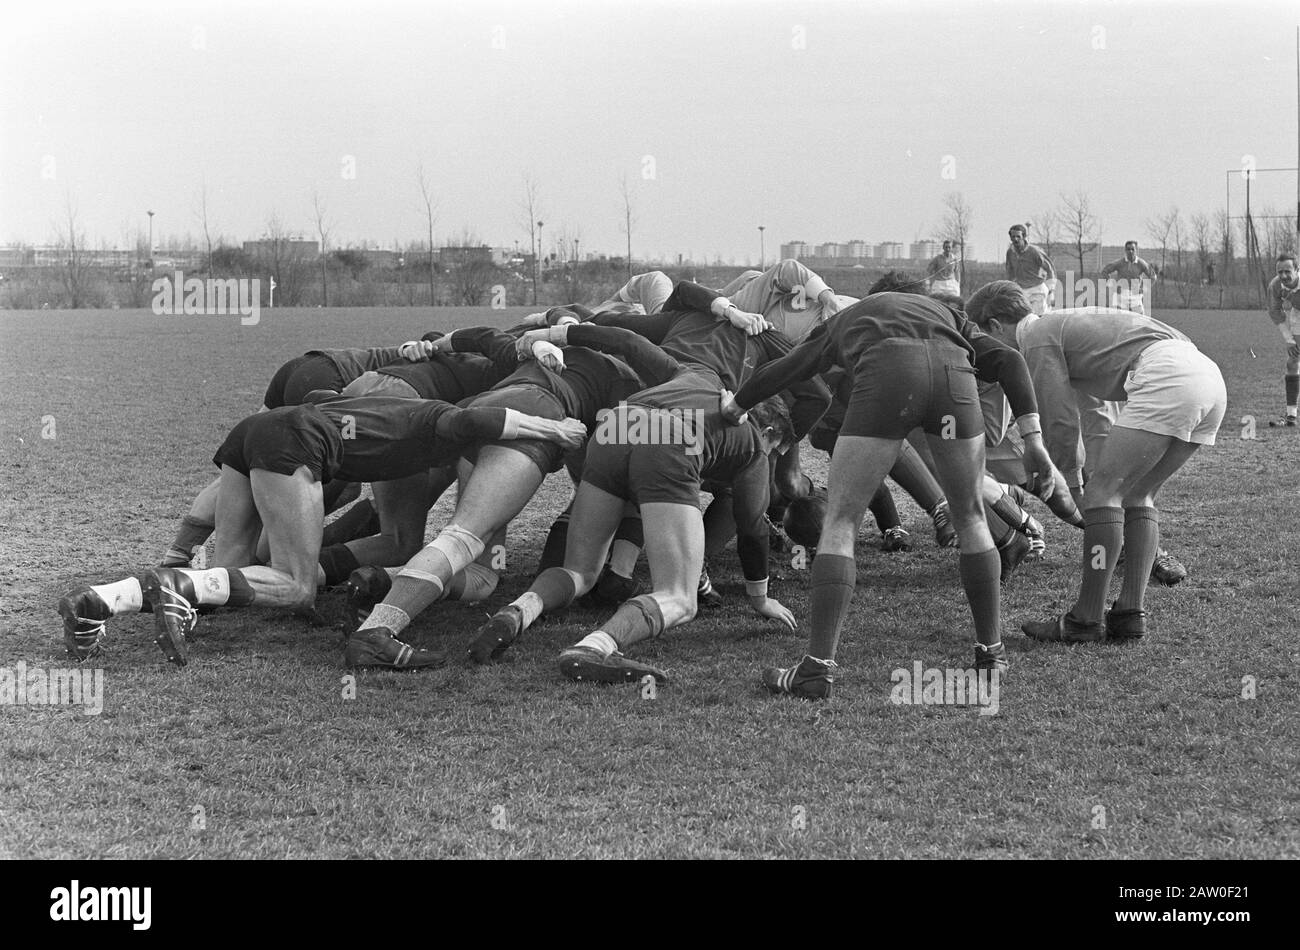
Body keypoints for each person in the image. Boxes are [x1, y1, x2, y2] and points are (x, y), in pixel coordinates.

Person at [57, 387, 586, 669]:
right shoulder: (443, 418)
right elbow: (476, 424)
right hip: (295, 443)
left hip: (258, 430)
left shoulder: (401, 412)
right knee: (294, 584)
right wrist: (550, 427)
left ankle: (100, 601)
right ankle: (175, 583)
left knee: (234, 572)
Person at [722, 291, 1060, 699]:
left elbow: (788, 367)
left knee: (842, 520)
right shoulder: (948, 314)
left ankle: (817, 669)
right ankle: (991, 652)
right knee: (970, 515)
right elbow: (1010, 360)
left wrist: (736, 405)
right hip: (953, 377)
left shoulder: (845, 319)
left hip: (888, 375)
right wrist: (1033, 437)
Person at [468, 358, 798, 679]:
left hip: (616, 425)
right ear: (768, 430)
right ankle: (595, 648)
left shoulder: (700, 376)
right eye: (774, 448)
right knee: (679, 598)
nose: (769, 456)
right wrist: (760, 597)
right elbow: (752, 526)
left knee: (579, 572)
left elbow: (634, 344)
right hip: (669, 441)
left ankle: (517, 611)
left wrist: (562, 334)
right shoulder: (755, 446)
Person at [964, 281, 1226, 644]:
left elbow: (1059, 421)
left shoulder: (1036, 338)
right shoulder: (1068, 324)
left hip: (1169, 375)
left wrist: (1071, 486)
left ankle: (1085, 619)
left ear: (994, 326)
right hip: (1209, 378)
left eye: (983, 338)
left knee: (1103, 496)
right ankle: (1129, 615)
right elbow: (1097, 410)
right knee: (1137, 496)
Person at [1265, 252, 1300, 428]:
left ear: (1297, 270)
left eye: (1288, 271)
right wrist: (1289, 339)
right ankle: (1291, 415)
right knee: (1293, 360)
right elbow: (1275, 311)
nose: (1284, 276)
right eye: (1280, 272)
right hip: (1298, 314)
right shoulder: (1275, 285)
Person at [1005, 224, 1056, 315]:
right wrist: (1009, 288)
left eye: (1018, 236)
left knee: (1036, 318)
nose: (1015, 239)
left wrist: (1051, 290)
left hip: (1037, 290)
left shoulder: (1034, 251)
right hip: (1022, 290)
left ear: (1024, 237)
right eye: (1013, 237)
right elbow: (1010, 272)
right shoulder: (1010, 252)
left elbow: (1049, 269)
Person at [1099, 241, 1157, 314]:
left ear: (1136, 250)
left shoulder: (1141, 263)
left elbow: (1153, 277)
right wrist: (1112, 286)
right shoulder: (1119, 262)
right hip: (1121, 296)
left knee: (1140, 321)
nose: (1130, 251)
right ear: (1125, 251)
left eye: (1133, 249)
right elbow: (1104, 271)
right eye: (1128, 249)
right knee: (1120, 321)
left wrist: (1143, 288)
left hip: (1136, 296)